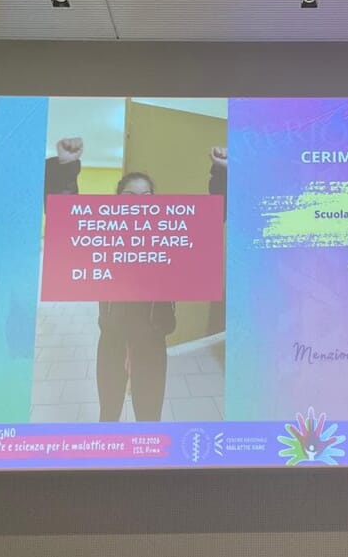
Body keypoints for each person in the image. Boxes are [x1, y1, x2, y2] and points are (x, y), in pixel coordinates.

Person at [47, 137, 226, 422]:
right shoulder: (105, 238)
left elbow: (213, 218)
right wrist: (67, 168)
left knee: (149, 417)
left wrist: (221, 172)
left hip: (152, 343)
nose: (139, 205)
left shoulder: (171, 241)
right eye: (129, 197)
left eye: (147, 198)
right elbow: (66, 218)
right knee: (108, 415)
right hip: (112, 342)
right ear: (117, 202)